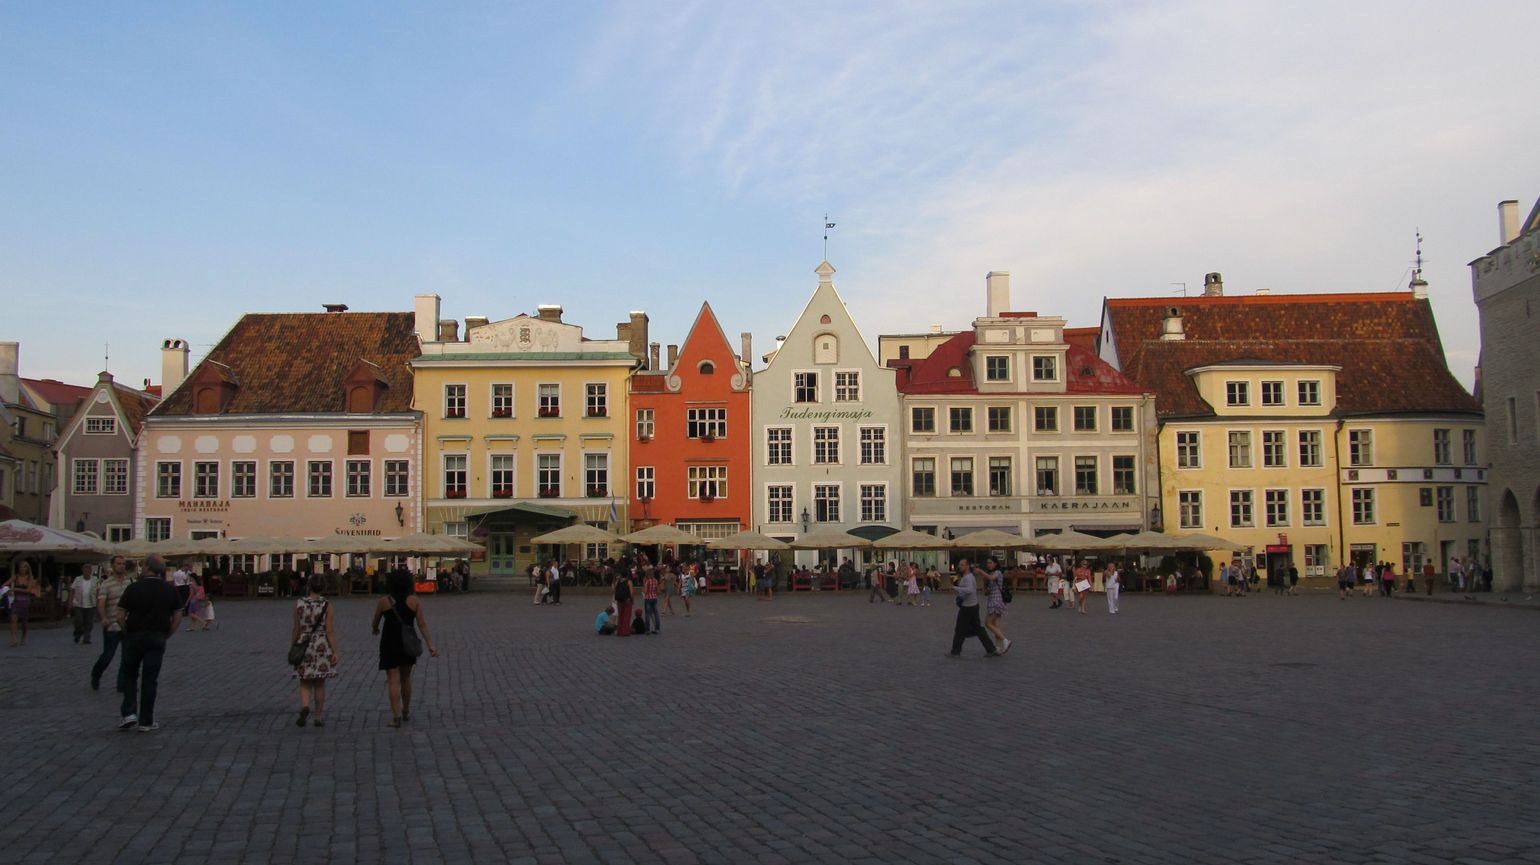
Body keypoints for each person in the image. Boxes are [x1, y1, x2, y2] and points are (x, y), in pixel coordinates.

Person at [115, 554, 182, 731]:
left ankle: (129, 713)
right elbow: (177, 615)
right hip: (157, 636)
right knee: (150, 679)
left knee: (130, 675)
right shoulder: (169, 589)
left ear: (146, 568)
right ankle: (146, 720)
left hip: (135, 636)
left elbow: (120, 615)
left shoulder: (133, 588)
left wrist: (126, 630)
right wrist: (168, 633)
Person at [372, 570, 438, 728]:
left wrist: (375, 629)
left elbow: (375, 621)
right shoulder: (414, 601)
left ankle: (395, 717)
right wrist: (430, 644)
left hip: (389, 642)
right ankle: (406, 711)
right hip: (407, 642)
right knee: (406, 678)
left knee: (393, 680)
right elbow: (422, 624)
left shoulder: (384, 601)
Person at [290, 574, 338, 728]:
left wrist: (293, 646)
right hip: (321, 644)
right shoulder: (327, 605)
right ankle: (318, 716)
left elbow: (296, 629)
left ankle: (305, 705)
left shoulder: (299, 604)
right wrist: (335, 651)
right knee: (319, 683)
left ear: (308, 586)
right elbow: (330, 630)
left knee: (304, 682)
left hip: (304, 643)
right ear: (323, 587)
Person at [92, 556, 134, 690]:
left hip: (128, 625)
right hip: (112, 625)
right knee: (108, 655)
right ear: (112, 566)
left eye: (123, 564)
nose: (121, 566)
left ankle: (122, 684)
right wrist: (103, 618)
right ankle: (96, 674)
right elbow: (100, 604)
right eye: (118, 564)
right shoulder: (106, 584)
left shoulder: (130, 581)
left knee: (127, 656)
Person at [946, 558, 998, 658]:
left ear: (967, 566)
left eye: (962, 565)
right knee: (978, 629)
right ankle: (991, 648)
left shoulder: (968, 578)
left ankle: (955, 651)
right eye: (959, 565)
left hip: (968, 607)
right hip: (972, 605)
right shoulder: (968, 577)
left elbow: (969, 590)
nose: (959, 566)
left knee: (960, 630)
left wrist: (955, 588)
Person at [5, 562, 44, 647]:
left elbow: (28, 590)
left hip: (25, 601)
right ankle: (14, 639)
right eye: (21, 567)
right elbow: (6, 584)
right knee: (13, 619)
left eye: (24, 567)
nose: (22, 569)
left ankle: (23, 638)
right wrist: (5, 589)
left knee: (24, 622)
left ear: (27, 569)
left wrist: (15, 588)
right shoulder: (15, 576)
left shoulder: (30, 578)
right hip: (16, 601)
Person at [980, 557, 1011, 654]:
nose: (988, 564)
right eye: (987, 563)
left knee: (988, 623)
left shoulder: (997, 572)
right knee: (996, 624)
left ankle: (1005, 640)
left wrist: (981, 572)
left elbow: (992, 578)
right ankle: (997, 648)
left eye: (990, 563)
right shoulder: (993, 573)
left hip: (996, 602)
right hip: (996, 601)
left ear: (995, 564)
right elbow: (989, 589)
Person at [70, 566, 99, 645]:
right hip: (78, 604)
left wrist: (98, 603)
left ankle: (87, 638)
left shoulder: (96, 580)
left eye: (88, 570)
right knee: (78, 621)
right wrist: (70, 602)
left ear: (91, 571)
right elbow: (72, 590)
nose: (87, 572)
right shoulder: (77, 579)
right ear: (82, 571)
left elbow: (98, 591)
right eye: (85, 570)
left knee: (89, 622)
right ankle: (78, 634)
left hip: (91, 604)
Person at [613, 569, 635, 636]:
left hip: (619, 600)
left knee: (620, 616)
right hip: (627, 600)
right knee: (626, 616)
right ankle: (625, 632)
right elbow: (631, 592)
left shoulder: (618, 581)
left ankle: (619, 631)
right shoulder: (629, 581)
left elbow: (615, 590)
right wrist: (632, 599)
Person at [642, 567, 661, 635]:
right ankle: (657, 628)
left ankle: (647, 630)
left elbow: (645, 591)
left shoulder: (647, 581)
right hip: (654, 598)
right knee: (656, 613)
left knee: (647, 614)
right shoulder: (655, 581)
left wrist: (644, 585)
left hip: (648, 598)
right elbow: (658, 591)